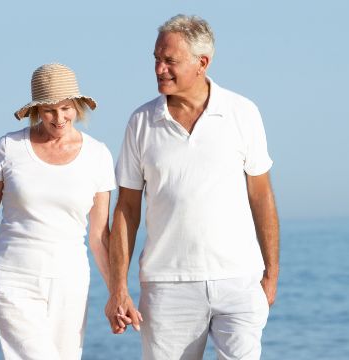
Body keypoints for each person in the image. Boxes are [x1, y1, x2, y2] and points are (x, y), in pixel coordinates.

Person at [104, 14, 280, 360]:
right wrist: (118, 288)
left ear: (202, 63)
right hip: (167, 285)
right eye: (156, 59)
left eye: (170, 61)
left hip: (239, 280)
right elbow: (125, 209)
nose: (159, 69)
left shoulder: (242, 112)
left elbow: (261, 196)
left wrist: (270, 274)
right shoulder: (141, 122)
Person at [0, 63, 117, 360]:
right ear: (36, 111)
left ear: (77, 107)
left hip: (69, 279)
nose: (59, 118)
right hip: (13, 276)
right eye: (49, 110)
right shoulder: (9, 148)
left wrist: (116, 293)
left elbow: (99, 235)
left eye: (66, 108)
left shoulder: (98, 155)